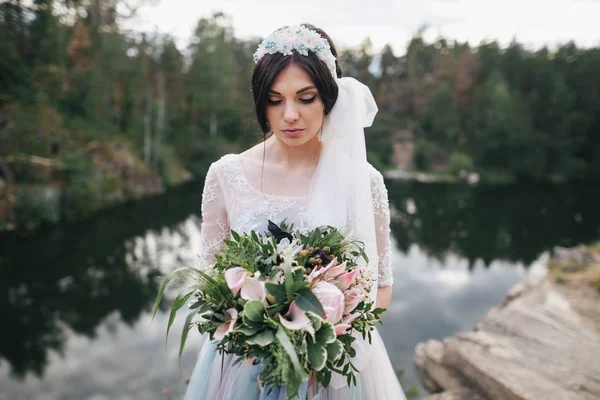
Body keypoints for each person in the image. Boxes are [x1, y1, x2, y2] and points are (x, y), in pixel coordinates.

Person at [184, 24, 405, 400]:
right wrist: (258, 336)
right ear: (261, 102)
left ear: (328, 99)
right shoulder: (225, 175)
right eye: (275, 99)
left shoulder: (362, 181)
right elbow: (212, 280)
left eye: (305, 98)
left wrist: (322, 338)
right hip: (243, 366)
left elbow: (380, 288)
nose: (290, 115)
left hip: (330, 371)